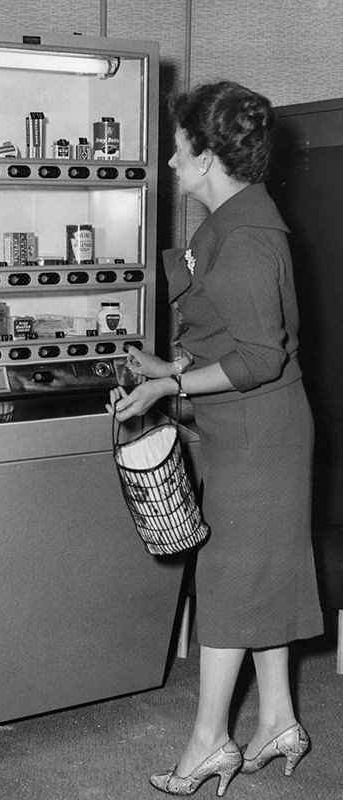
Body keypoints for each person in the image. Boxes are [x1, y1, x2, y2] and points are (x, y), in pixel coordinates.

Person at [108, 81, 324, 797]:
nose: (170, 164)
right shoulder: (232, 219)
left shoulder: (251, 236)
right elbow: (233, 337)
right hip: (247, 430)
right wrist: (170, 366)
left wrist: (171, 387)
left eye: (177, 152)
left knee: (229, 583)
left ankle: (209, 744)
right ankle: (280, 722)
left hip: (263, 439)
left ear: (205, 158)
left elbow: (262, 357)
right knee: (258, 578)